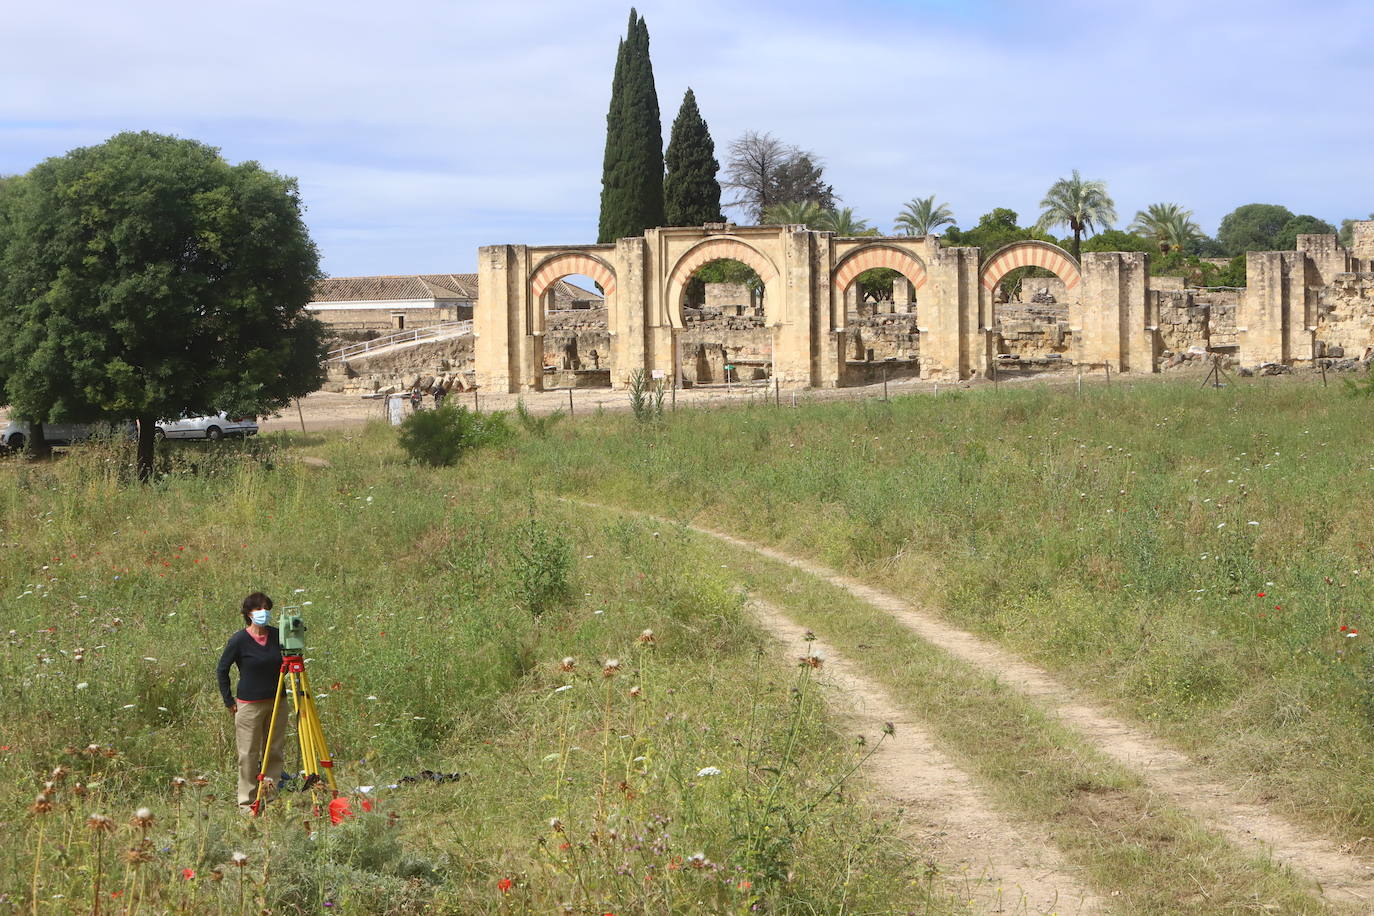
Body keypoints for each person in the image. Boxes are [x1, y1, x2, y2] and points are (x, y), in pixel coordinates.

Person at [216, 592, 285, 811]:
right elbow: (222, 670)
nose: (263, 612)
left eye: (266, 608)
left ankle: (270, 799)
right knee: (248, 753)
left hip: (277, 701)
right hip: (249, 704)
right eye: (257, 609)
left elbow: (292, 660)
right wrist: (229, 701)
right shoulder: (239, 640)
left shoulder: (277, 635)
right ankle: (247, 802)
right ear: (248, 613)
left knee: (274, 750)